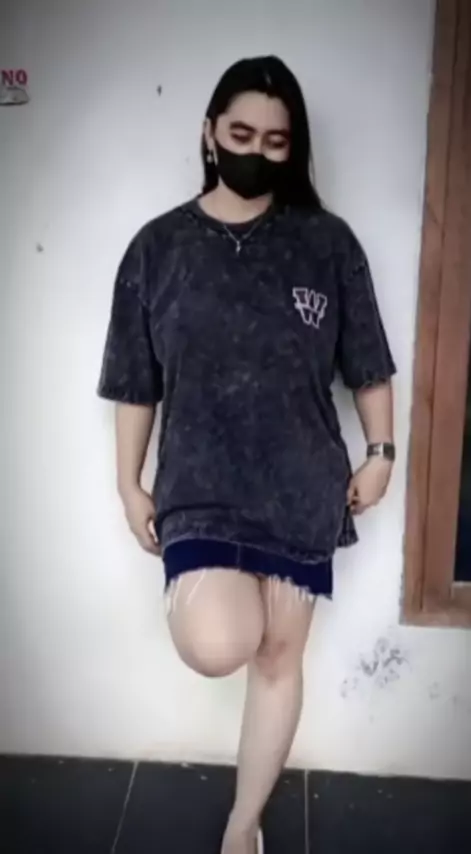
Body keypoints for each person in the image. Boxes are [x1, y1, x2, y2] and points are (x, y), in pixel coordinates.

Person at [97, 55, 396, 854]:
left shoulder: (326, 243)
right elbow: (134, 382)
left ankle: (242, 824)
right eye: (240, 133)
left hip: (302, 489)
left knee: (278, 656)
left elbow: (369, 364)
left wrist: (381, 453)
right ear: (209, 133)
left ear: (293, 148)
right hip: (198, 489)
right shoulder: (158, 248)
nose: (255, 151)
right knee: (219, 642)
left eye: (274, 140)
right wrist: (128, 484)